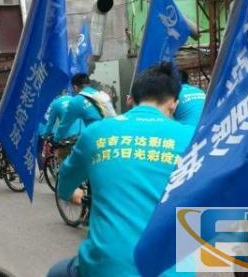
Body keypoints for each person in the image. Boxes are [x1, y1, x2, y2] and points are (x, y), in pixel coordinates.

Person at [49, 63, 196, 277]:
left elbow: (63, 187)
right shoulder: (194, 138)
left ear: (130, 100)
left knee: (57, 272)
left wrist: (75, 193)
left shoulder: (96, 132)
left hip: (105, 268)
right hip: (173, 270)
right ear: (174, 104)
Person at [55, 74, 116, 143]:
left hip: (97, 139)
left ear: (75, 87)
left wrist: (56, 140)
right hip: (113, 135)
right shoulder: (101, 94)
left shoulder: (77, 100)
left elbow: (65, 125)